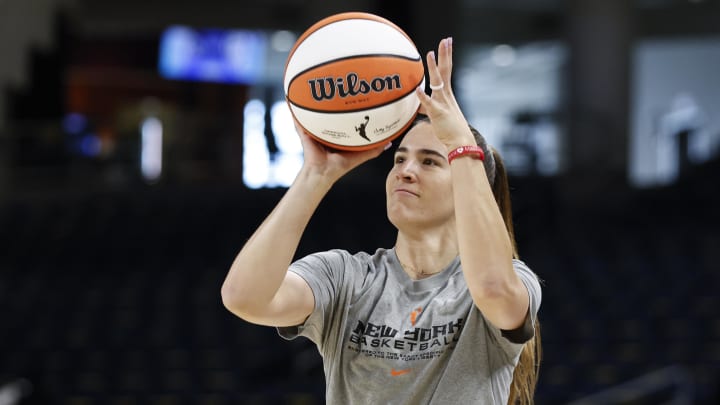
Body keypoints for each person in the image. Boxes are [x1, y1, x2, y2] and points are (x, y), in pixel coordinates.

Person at [221, 37, 542, 404]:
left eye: (430, 161)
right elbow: (243, 297)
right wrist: (316, 174)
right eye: (399, 159)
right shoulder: (345, 276)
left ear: (468, 188)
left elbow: (494, 290)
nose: (405, 171)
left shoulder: (513, 279)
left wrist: (460, 145)